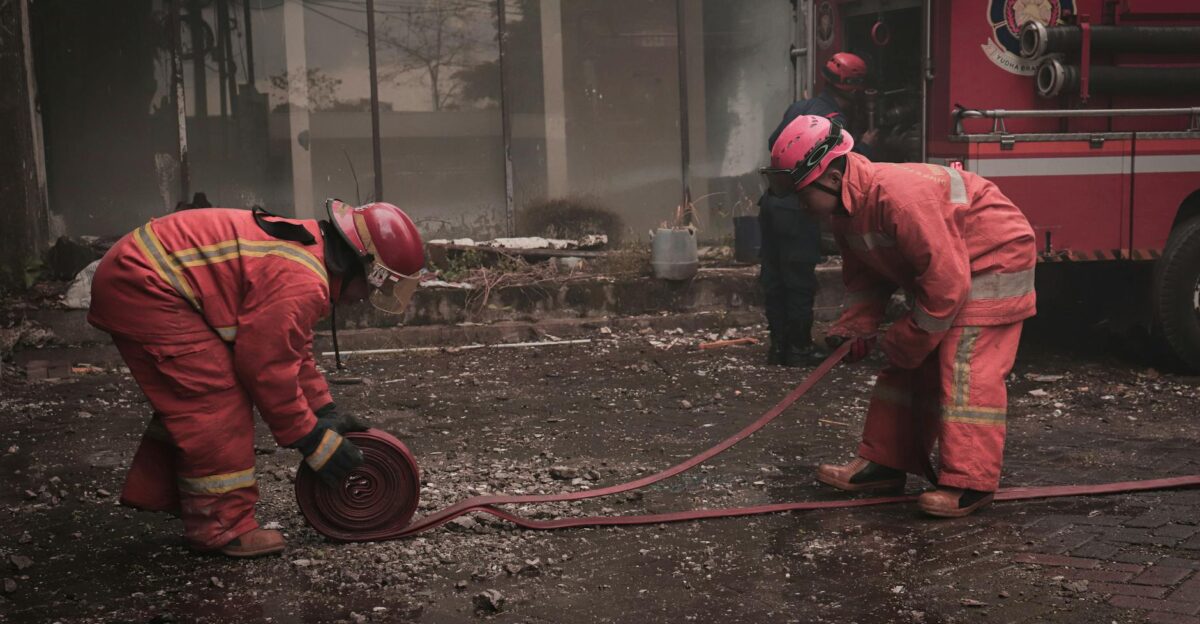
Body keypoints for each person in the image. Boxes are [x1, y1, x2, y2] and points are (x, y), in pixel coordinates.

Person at [88, 200, 424, 556]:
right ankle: (223, 528)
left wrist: (325, 409)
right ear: (359, 265)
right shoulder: (302, 279)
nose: (366, 299)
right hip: (145, 283)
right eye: (373, 288)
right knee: (215, 399)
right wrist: (310, 439)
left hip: (146, 273)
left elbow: (290, 349)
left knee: (190, 395)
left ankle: (172, 495)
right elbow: (266, 367)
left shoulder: (308, 255)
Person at [762, 115, 1036, 517]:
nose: (799, 205)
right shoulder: (845, 212)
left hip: (993, 261)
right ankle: (885, 464)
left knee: (964, 369)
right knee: (905, 364)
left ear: (833, 178)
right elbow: (867, 273)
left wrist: (908, 337)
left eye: (801, 192)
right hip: (956, 269)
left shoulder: (901, 198)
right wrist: (858, 323)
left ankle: (970, 483)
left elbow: (947, 286)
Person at [759, 52, 879, 367]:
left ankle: (778, 348)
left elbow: (775, 142)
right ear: (852, 85)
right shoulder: (833, 119)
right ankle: (798, 350)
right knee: (799, 279)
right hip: (797, 205)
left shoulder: (801, 109)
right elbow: (837, 162)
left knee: (774, 277)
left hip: (773, 199)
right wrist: (864, 144)